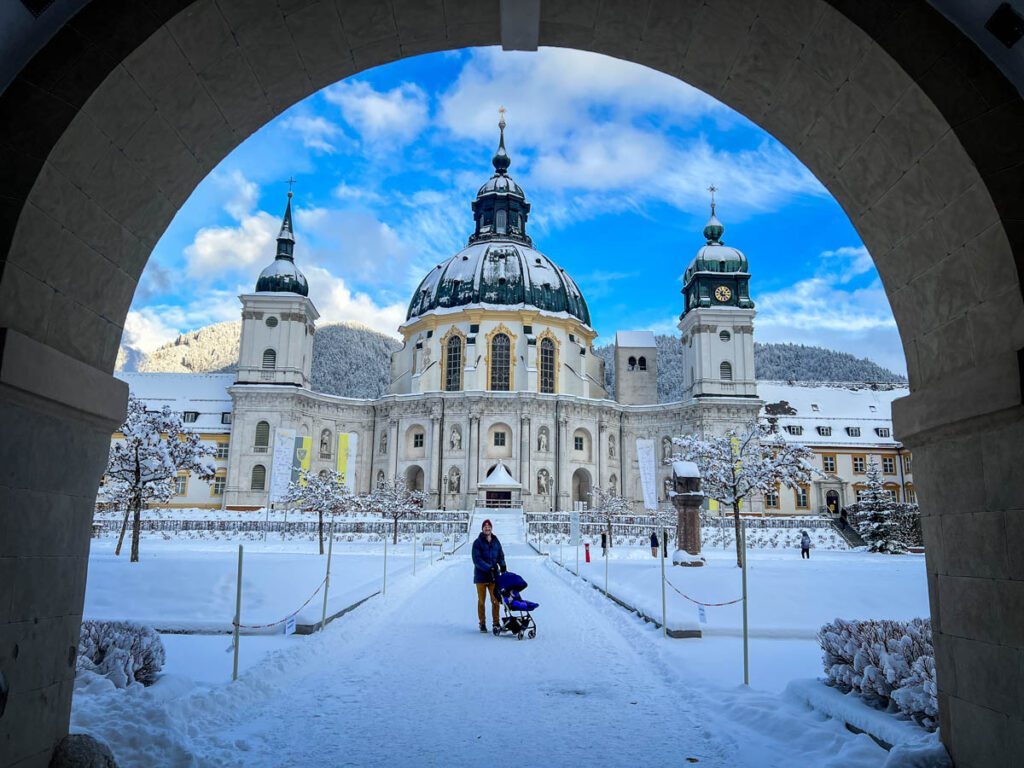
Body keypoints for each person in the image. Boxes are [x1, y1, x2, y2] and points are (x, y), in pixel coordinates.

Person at [472, 518, 506, 633]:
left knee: (495, 600)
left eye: (489, 526)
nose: (487, 528)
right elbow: (476, 559)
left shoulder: (496, 541)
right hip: (481, 577)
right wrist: (488, 567)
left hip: (493, 577)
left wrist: (503, 565)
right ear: (482, 529)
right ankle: (482, 623)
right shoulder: (477, 542)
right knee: (482, 601)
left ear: (491, 528)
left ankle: (496, 623)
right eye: (485, 527)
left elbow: (500, 555)